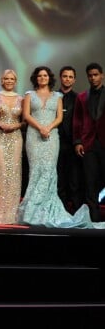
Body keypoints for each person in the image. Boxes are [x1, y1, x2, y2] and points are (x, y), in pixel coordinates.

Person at [17, 65, 105, 228]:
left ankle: (53, 210)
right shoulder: (30, 95)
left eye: (45, 75)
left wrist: (49, 128)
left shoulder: (65, 96)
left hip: (56, 139)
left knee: (60, 176)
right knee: (39, 173)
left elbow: (61, 118)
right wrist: (41, 128)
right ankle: (34, 211)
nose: (42, 78)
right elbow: (27, 115)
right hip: (39, 138)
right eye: (40, 76)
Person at [0, 69, 25, 224]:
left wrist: (17, 125)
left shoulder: (21, 99)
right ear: (2, 80)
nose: (9, 81)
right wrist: (0, 123)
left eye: (12, 79)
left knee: (14, 174)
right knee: (1, 172)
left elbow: (25, 120)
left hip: (15, 137)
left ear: (15, 81)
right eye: (6, 79)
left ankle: (12, 213)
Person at [73, 63, 105, 223]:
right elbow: (77, 121)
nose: (93, 78)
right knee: (90, 182)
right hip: (89, 143)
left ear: (102, 75)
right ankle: (94, 218)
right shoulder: (82, 97)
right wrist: (78, 142)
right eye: (90, 75)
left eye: (96, 75)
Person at [57, 65, 84, 214]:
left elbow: (82, 121)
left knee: (74, 181)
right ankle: (60, 211)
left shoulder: (79, 98)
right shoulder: (53, 96)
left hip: (74, 145)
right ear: (60, 78)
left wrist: (79, 141)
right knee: (59, 179)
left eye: (70, 77)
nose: (67, 79)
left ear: (74, 80)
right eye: (65, 76)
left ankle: (76, 212)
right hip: (55, 143)